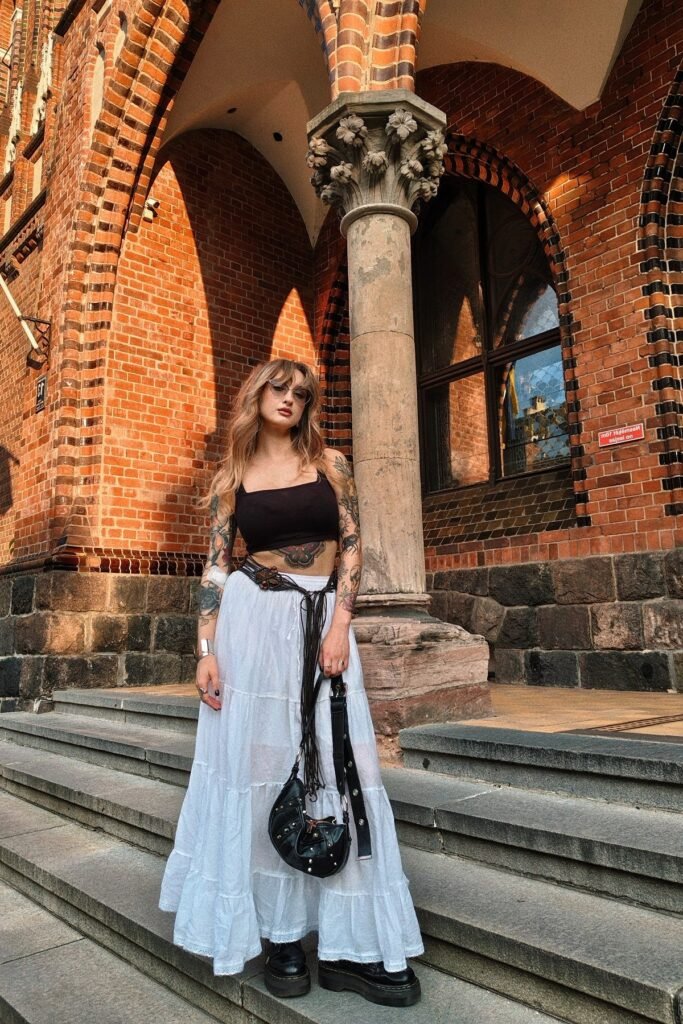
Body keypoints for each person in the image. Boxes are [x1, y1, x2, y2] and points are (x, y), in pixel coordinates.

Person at [159, 358, 424, 1007]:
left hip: (323, 623)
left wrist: (341, 624)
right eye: (279, 389)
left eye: (301, 394)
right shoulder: (232, 478)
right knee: (263, 767)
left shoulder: (331, 463)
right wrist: (205, 650)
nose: (289, 400)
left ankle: (351, 946)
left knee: (342, 764)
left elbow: (352, 545)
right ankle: (280, 937)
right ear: (257, 395)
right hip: (253, 623)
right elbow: (216, 568)